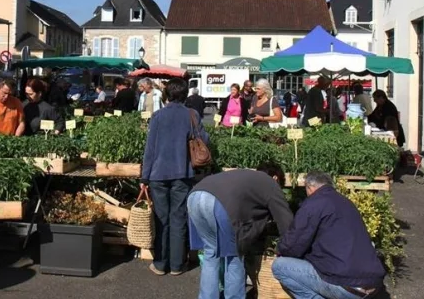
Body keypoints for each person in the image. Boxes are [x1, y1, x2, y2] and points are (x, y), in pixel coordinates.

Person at [273, 172, 386, 299]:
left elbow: (292, 246)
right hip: (374, 283)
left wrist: (278, 249)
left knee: (280, 266)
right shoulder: (346, 202)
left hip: (347, 285)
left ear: (309, 187)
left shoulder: (313, 204)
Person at [188, 163, 293, 298]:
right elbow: (286, 222)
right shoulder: (270, 183)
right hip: (219, 203)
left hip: (195, 196)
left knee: (211, 253)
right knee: (235, 257)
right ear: (276, 178)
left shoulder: (246, 176)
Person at [141, 78, 209, 276]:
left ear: (166, 95)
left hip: (157, 174)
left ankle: (161, 264)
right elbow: (204, 139)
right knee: (179, 218)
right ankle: (178, 265)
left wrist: (144, 179)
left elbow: (150, 150)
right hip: (183, 173)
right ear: (185, 94)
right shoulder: (191, 114)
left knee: (161, 219)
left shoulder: (158, 116)